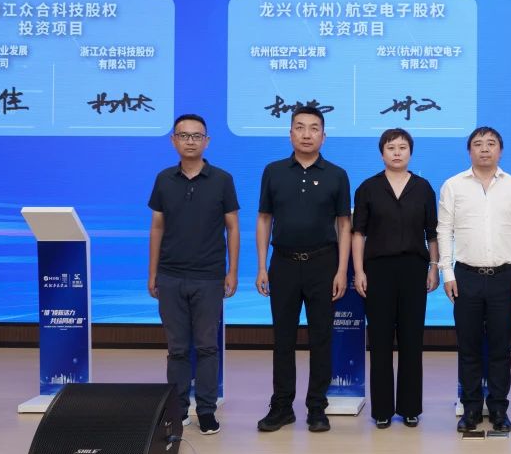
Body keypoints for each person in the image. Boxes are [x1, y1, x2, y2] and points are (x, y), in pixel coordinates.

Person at [254, 104, 352, 434]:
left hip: (323, 264)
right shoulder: (273, 171)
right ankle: (282, 406)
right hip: (282, 264)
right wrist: (261, 266)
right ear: (290, 133)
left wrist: (342, 270)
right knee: (283, 338)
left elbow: (344, 224)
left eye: (313, 128)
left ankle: (316, 406)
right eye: (300, 127)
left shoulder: (337, 174)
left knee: (321, 338)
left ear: (323, 136)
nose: (306, 134)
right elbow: (264, 219)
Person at [147, 114, 239, 436]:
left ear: (207, 141)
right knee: (177, 348)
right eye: (183, 135)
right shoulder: (163, 179)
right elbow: (157, 227)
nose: (190, 141)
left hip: (209, 277)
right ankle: (178, 408)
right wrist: (153, 272)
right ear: (173, 140)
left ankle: (207, 410)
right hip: (170, 275)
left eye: (196, 136)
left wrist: (232, 271)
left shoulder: (222, 179)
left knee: (207, 347)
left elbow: (232, 227)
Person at [437, 127, 511, 434]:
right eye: (478, 144)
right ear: (470, 151)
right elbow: (444, 231)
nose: (485, 149)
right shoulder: (453, 185)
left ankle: (500, 408)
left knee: (501, 348)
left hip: (504, 277)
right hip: (466, 277)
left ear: (500, 150)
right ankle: (471, 408)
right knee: (469, 347)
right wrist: (447, 273)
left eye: (491, 144)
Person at [351, 128, 439, 429]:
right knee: (379, 340)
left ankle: (410, 407)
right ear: (382, 153)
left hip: (414, 270)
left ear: (410, 152)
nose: (397, 152)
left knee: (412, 339)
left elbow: (432, 233)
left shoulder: (423, 188)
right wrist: (359, 271)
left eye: (403, 147)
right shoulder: (368, 188)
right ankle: (382, 409)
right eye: (391, 147)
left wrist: (434, 267)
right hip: (378, 271)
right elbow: (358, 233)